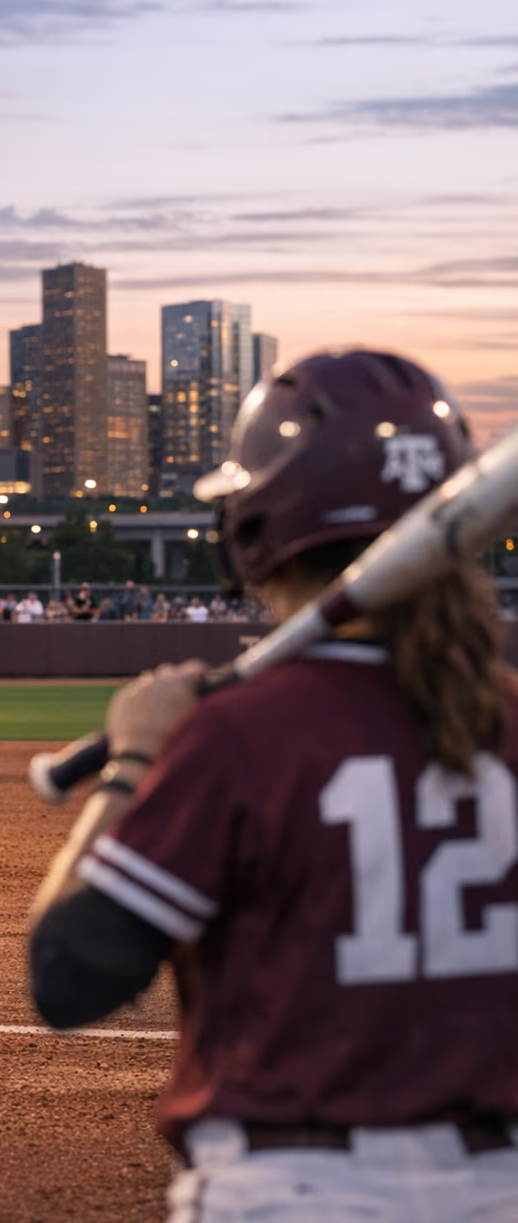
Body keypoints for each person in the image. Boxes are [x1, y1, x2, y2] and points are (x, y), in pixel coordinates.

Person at [29, 350, 518, 1222]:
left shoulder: (240, 733)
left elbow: (68, 975)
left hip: (297, 1191)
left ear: (258, 522)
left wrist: (138, 758)